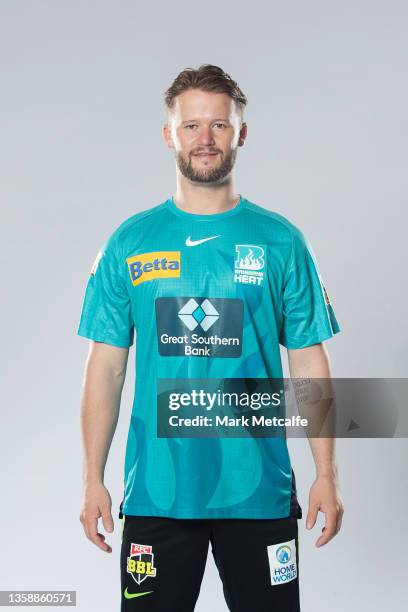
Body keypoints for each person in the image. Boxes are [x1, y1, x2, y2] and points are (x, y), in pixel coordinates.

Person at [77, 64, 344, 612]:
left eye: (219, 126)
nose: (205, 140)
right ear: (168, 133)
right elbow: (105, 370)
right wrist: (92, 480)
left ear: (240, 133)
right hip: (157, 494)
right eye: (191, 125)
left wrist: (326, 474)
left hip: (259, 496)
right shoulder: (130, 242)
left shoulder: (280, 241)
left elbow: (309, 364)